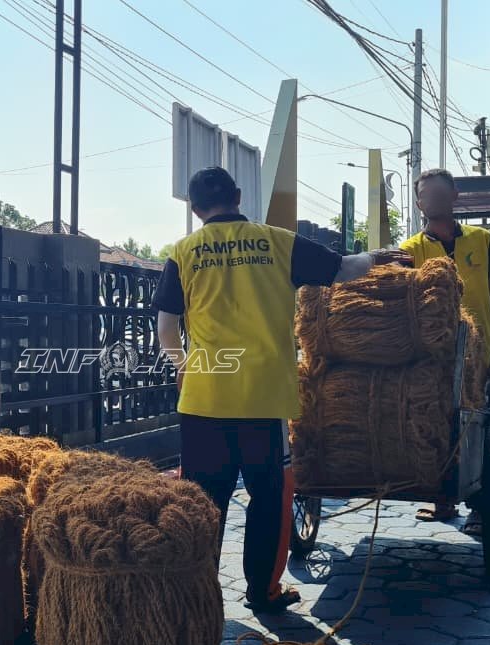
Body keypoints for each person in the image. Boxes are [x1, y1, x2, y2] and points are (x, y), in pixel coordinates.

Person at [152, 167, 408, 614]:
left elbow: (166, 325)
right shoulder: (276, 240)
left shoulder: (183, 251)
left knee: (202, 502)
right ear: (237, 196)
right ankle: (263, 592)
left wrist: (182, 366)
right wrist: (379, 256)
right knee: (269, 497)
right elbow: (342, 269)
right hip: (262, 398)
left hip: (204, 398)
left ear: (194, 209)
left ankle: (196, 596)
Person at [400, 168, 490, 536]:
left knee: (480, 425)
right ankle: (443, 498)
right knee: (436, 421)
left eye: (439, 193)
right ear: (419, 203)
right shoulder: (411, 250)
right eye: (425, 195)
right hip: (433, 356)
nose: (432, 200)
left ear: (455, 196)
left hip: (480, 351)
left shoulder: (482, 239)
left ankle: (480, 505)